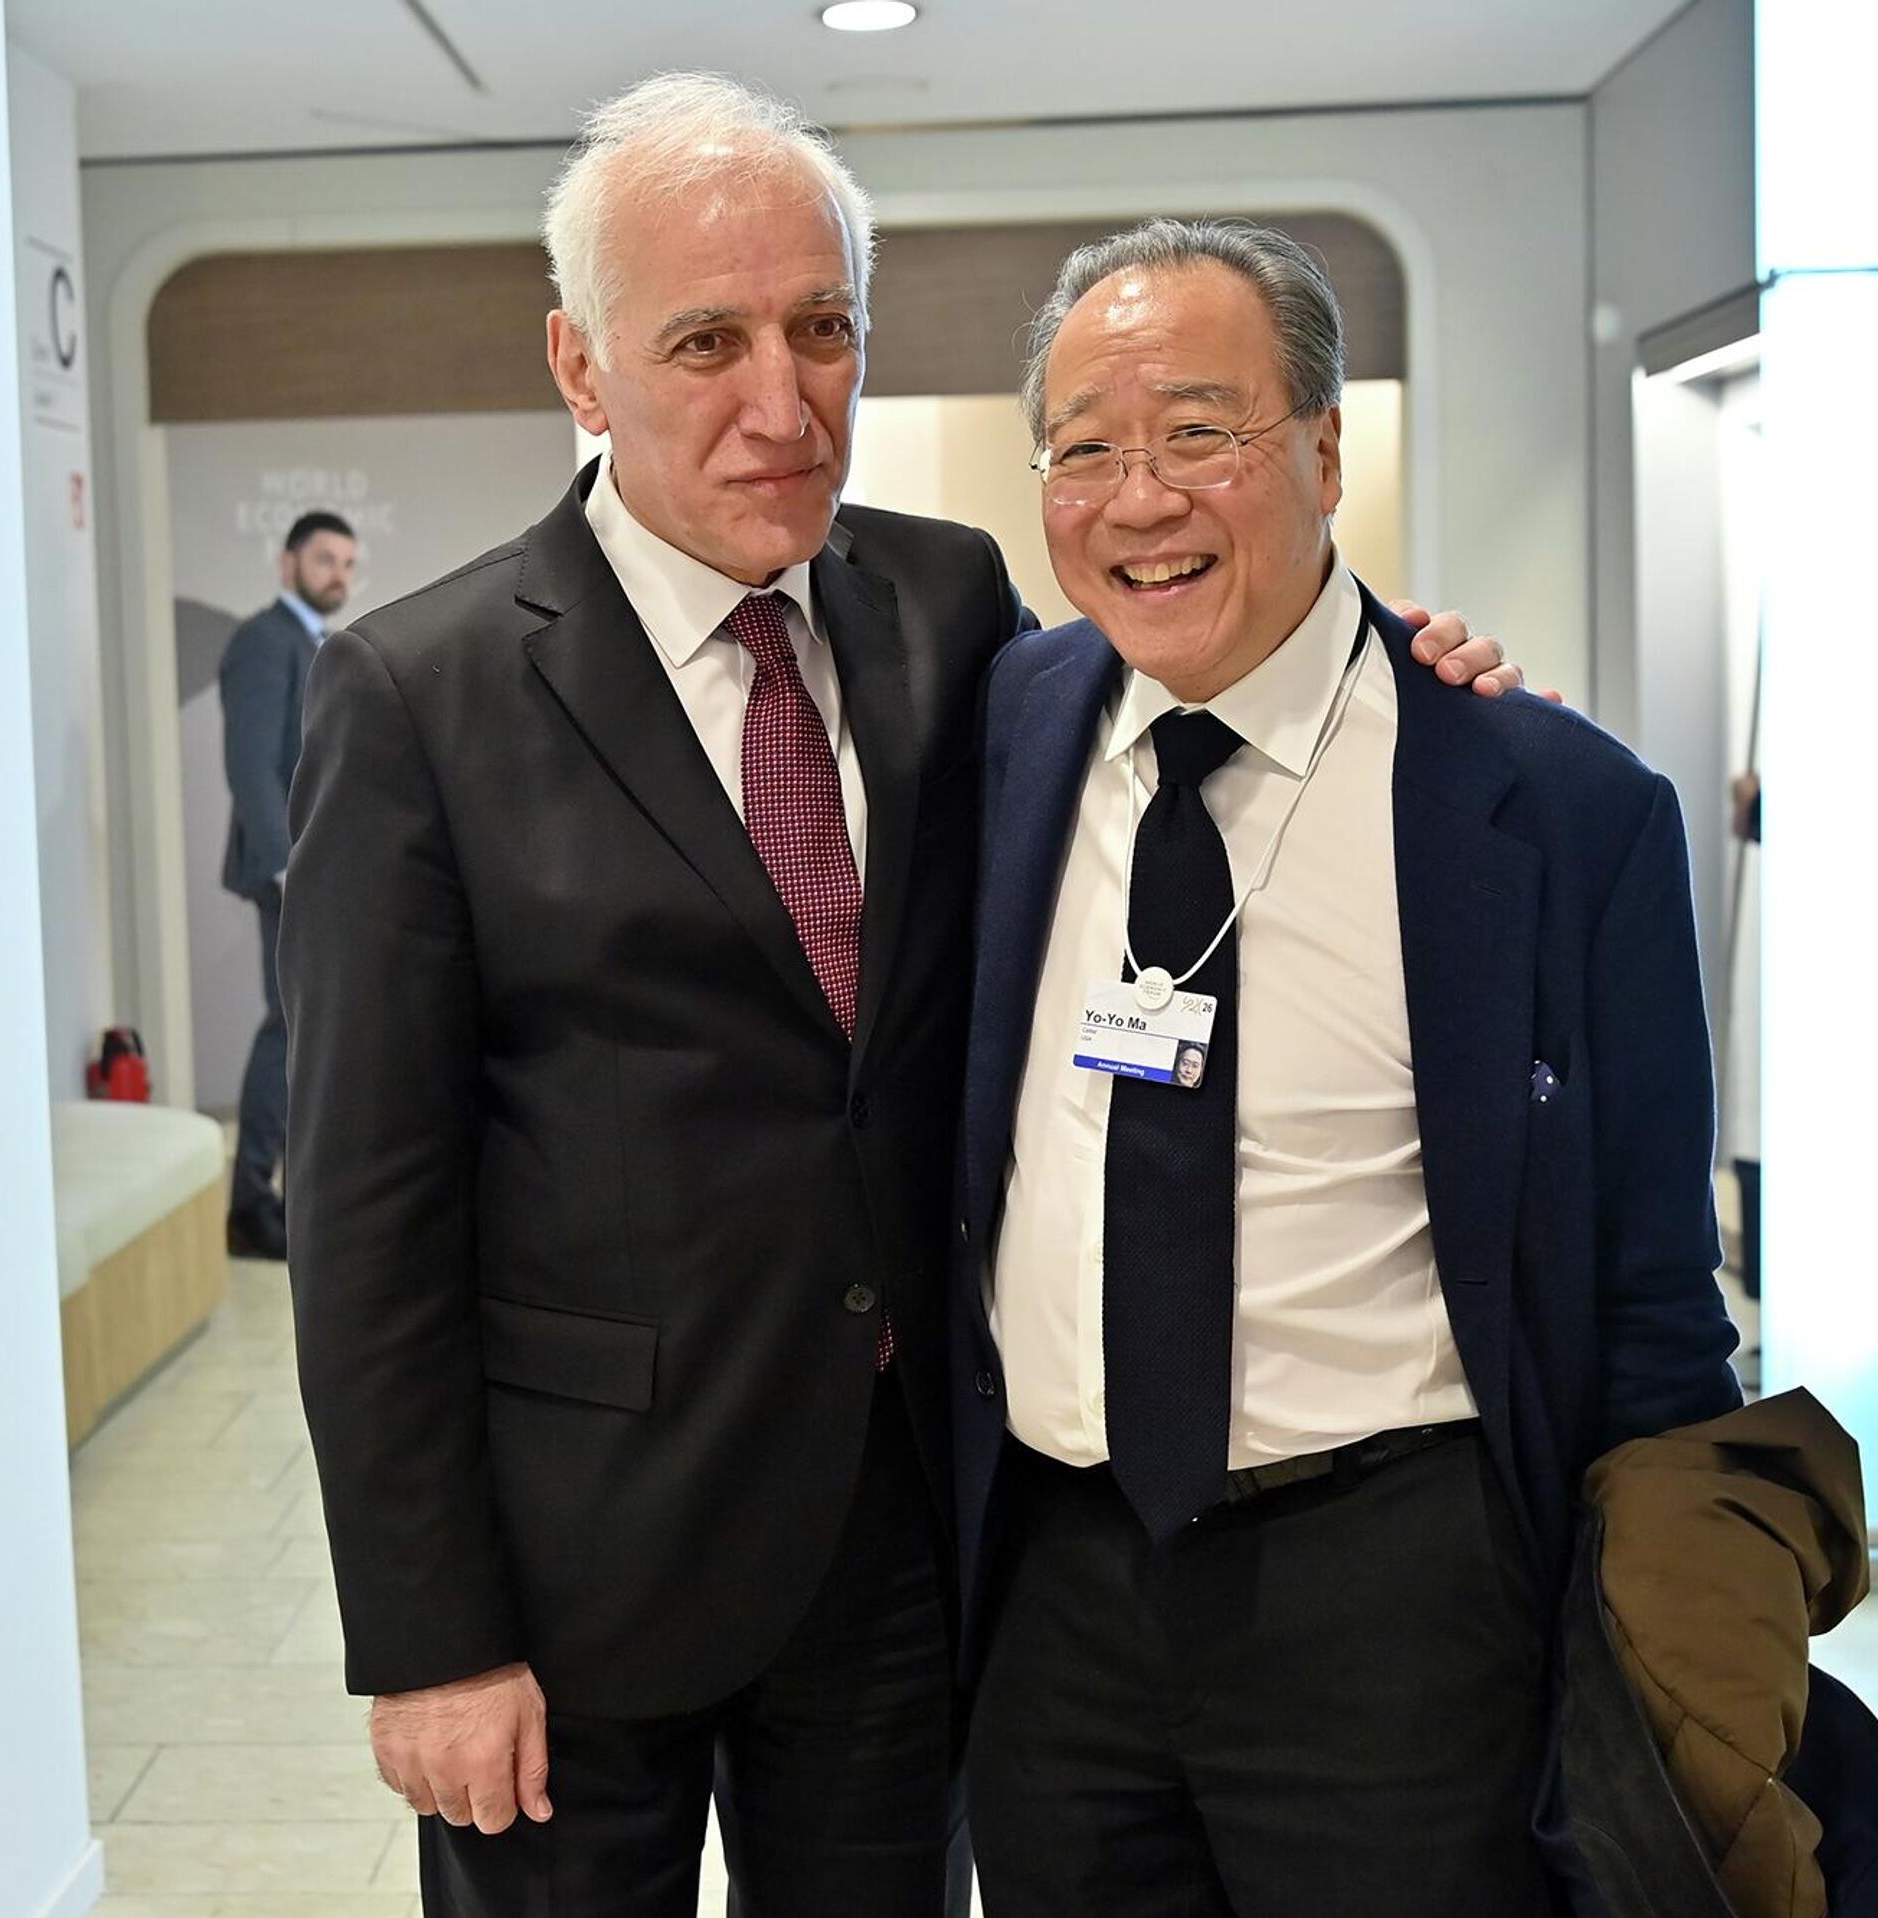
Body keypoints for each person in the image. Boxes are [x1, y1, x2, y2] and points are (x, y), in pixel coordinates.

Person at [279, 78, 1520, 1918]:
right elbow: (365, 1210)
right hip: (573, 1573)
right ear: (581, 364)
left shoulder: (947, 605)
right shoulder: (417, 692)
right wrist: (429, 1636)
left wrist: (1407, 671)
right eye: (706, 341)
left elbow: (1189, 683)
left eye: (824, 328)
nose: (784, 404)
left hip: (897, 1548)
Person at [951, 219, 1742, 1918]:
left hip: (1397, 1599)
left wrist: (1681, 1666)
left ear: (1322, 450)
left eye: (1199, 433)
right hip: (1056, 1598)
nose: (1138, 498)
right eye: (1084, 450)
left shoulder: (1557, 809)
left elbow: (1655, 1293)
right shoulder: (1002, 726)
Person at [218, 508, 355, 1261]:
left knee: (304, 1029)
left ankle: (289, 1197)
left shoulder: (321, 643)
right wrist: (285, 868)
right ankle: (250, 1203)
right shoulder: (263, 641)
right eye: (325, 559)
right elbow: (249, 765)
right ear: (288, 564)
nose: (339, 574)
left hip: (316, 866)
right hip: (287, 869)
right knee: (287, 1029)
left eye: (348, 563)